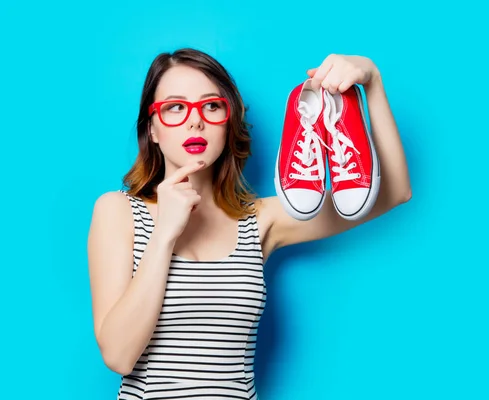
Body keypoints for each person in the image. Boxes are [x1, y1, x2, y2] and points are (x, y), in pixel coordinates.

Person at [87, 47, 412, 400]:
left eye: (211, 106)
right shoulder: (118, 211)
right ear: (151, 129)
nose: (195, 121)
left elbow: (393, 191)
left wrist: (372, 81)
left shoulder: (259, 221)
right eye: (175, 108)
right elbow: (118, 356)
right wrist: (165, 233)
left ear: (229, 123)